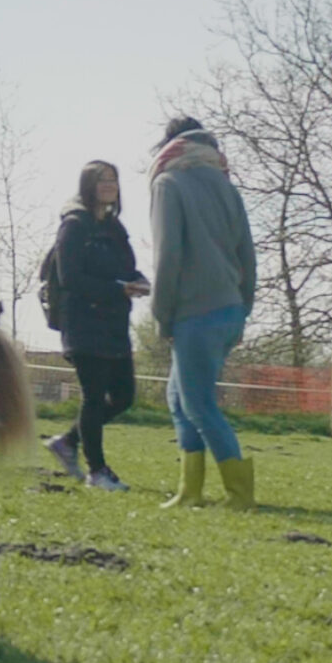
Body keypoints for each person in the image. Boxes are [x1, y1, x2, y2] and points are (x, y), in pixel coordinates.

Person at [148, 117, 258, 511]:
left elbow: (168, 257)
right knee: (178, 397)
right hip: (229, 308)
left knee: (198, 404)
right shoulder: (227, 187)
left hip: (195, 311)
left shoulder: (168, 184)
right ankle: (189, 490)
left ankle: (239, 493)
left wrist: (162, 315)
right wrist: (244, 308)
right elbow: (247, 254)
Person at [42, 161, 149, 491]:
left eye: (114, 180)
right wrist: (116, 289)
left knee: (123, 396)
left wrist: (138, 281)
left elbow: (128, 268)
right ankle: (98, 471)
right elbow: (70, 277)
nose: (109, 185)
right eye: (102, 180)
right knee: (93, 395)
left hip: (114, 324)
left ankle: (68, 441)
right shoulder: (73, 227)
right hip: (83, 323)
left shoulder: (115, 228)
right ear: (87, 185)